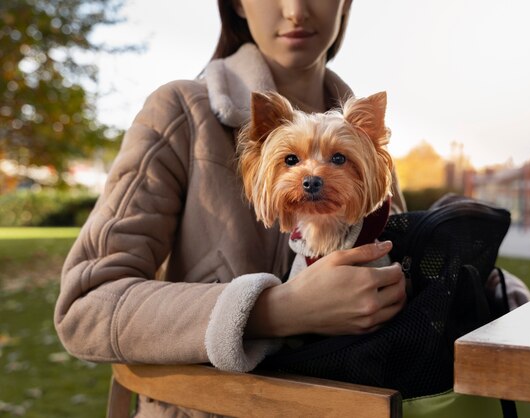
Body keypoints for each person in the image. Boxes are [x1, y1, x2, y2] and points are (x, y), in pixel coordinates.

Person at [54, 1, 408, 416]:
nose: (295, 10)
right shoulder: (181, 113)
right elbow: (86, 308)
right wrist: (276, 310)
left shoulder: (364, 142)